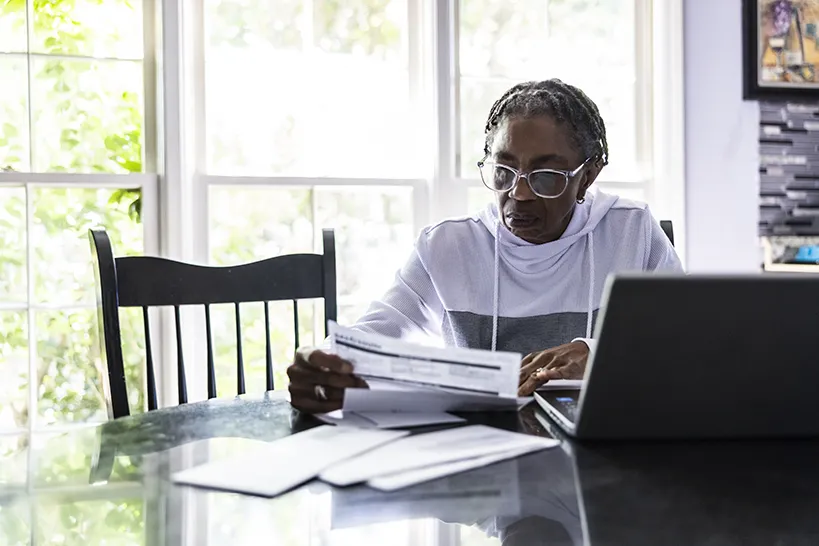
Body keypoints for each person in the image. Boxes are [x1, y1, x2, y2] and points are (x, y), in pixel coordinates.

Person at [287, 78, 683, 413]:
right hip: (482, 465)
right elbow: (374, 337)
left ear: (588, 175)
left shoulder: (630, 231)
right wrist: (321, 364)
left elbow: (685, 343)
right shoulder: (447, 246)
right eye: (503, 170)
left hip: (601, 456)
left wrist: (597, 354)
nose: (520, 193)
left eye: (546, 175)